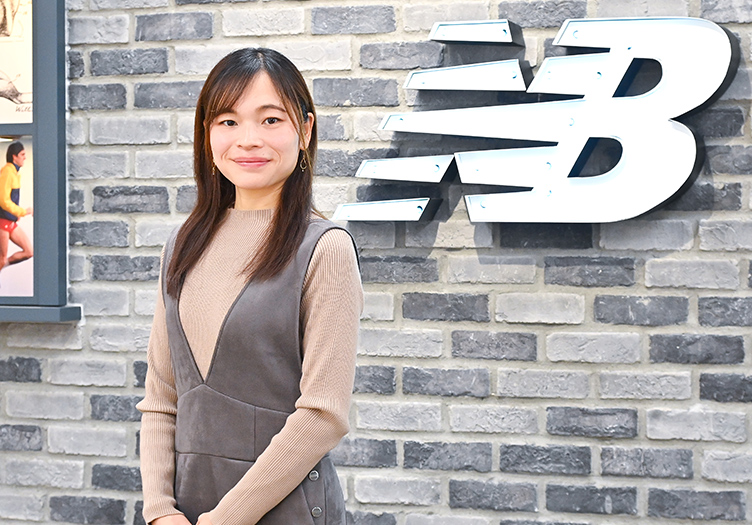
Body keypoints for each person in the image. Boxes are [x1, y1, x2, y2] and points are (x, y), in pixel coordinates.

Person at [136, 48, 363, 525]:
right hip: (185, 510)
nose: (248, 139)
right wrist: (158, 511)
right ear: (207, 134)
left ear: (305, 130)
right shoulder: (182, 244)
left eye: (270, 120)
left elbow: (323, 416)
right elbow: (161, 398)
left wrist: (222, 521)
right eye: (228, 121)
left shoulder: (325, 248)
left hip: (287, 512)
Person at [0, 140, 33, 272]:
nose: (25, 157)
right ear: (14, 157)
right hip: (3, 221)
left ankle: (4, 264)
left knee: (29, 251)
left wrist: (16, 214)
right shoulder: (7, 172)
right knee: (2, 258)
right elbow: (3, 200)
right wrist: (21, 212)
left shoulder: (14, 172)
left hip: (9, 220)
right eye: (22, 154)